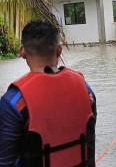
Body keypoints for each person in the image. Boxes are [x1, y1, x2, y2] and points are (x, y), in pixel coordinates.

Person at [0, 20, 97, 167]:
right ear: (59, 50)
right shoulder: (85, 89)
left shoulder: (13, 102)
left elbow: (5, 161)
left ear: (22, 52)